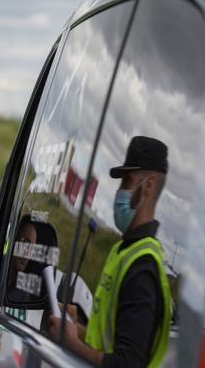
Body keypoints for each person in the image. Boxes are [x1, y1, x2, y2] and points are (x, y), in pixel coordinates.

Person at [49, 136, 172, 368]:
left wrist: (71, 342)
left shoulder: (142, 266)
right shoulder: (124, 250)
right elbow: (109, 343)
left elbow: (126, 363)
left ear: (148, 185)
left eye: (127, 180)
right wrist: (78, 330)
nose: (120, 191)